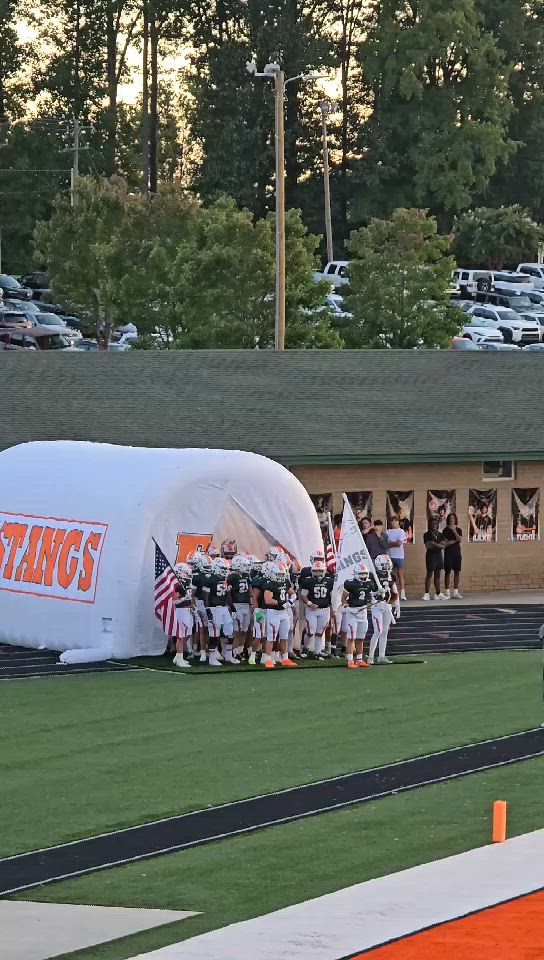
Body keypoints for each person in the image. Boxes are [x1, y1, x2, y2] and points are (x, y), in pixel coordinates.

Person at [261, 561, 297, 668]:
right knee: (271, 637)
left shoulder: (285, 582)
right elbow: (268, 600)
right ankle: (267, 659)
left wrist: (291, 600)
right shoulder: (270, 583)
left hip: (283, 612)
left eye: (282, 574)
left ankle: (285, 658)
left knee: (284, 636)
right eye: (279, 574)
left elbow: (293, 593)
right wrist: (282, 603)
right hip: (273, 612)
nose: (281, 576)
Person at [202, 557, 236, 665]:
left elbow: (227, 595)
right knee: (215, 633)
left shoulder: (224, 580)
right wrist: (208, 610)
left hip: (224, 608)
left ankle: (228, 655)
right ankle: (212, 658)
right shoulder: (209, 579)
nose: (225, 571)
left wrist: (232, 607)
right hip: (214, 608)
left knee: (230, 630)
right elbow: (205, 597)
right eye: (223, 568)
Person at [341, 562, 374, 668]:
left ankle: (359, 659)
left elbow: (369, 598)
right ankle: (350, 660)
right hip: (352, 613)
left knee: (360, 637)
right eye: (361, 574)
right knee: (351, 637)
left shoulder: (369, 584)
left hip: (363, 613)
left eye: (365, 574)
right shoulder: (350, 583)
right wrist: (348, 608)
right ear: (355, 574)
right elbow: (343, 599)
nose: (363, 576)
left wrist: (374, 599)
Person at [299, 558, 333, 658]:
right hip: (312, 610)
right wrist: (309, 603)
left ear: (324, 571)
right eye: (315, 571)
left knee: (320, 632)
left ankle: (317, 652)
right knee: (310, 631)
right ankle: (305, 648)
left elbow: (332, 596)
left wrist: (333, 608)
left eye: (320, 571)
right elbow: (303, 595)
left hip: (325, 609)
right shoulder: (308, 581)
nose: (318, 573)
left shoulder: (329, 581)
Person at [367, 554, 397, 664]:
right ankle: (370, 657)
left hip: (387, 605)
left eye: (388, 564)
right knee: (378, 631)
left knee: (384, 632)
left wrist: (396, 604)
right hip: (377, 605)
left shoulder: (391, 575)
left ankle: (381, 656)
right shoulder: (372, 575)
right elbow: (367, 592)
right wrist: (375, 594)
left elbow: (394, 589)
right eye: (385, 565)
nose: (387, 567)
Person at [228, 554, 253, 658]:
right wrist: (231, 607)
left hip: (246, 605)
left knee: (244, 630)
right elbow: (228, 592)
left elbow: (250, 589)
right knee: (236, 630)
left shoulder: (246, 576)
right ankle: (234, 652)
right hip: (237, 605)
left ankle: (240, 650)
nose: (247, 567)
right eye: (244, 565)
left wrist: (251, 602)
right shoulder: (231, 577)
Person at [172, 562, 194, 668]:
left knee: (187, 634)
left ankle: (178, 655)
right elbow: (174, 600)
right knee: (180, 636)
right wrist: (183, 599)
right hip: (181, 611)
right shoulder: (177, 584)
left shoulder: (187, 582)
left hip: (188, 611)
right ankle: (180, 657)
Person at [422, 518, 447, 600]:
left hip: (438, 556)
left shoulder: (441, 534)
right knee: (429, 574)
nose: (434, 525)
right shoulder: (426, 534)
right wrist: (438, 544)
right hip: (430, 556)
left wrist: (433, 543)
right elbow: (428, 546)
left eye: (436, 524)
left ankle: (438, 593)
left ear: (438, 525)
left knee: (438, 575)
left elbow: (443, 546)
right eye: (432, 524)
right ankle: (426, 593)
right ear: (430, 525)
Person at [386, 514, 407, 600]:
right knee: (391, 575)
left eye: (396, 520)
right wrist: (392, 543)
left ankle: (402, 594)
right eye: (392, 521)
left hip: (399, 556)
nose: (394, 522)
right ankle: (393, 594)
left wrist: (391, 543)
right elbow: (386, 544)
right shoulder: (387, 532)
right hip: (390, 556)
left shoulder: (401, 531)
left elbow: (399, 543)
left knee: (400, 574)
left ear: (398, 522)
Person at [442, 513, 463, 598]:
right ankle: (447, 592)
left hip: (457, 553)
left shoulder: (459, 529)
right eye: (450, 518)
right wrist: (455, 541)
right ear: (448, 520)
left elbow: (460, 540)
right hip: (448, 553)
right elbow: (445, 544)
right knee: (447, 572)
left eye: (453, 518)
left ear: (455, 519)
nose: (452, 520)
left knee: (457, 572)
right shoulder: (445, 530)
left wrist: (454, 531)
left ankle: (455, 592)